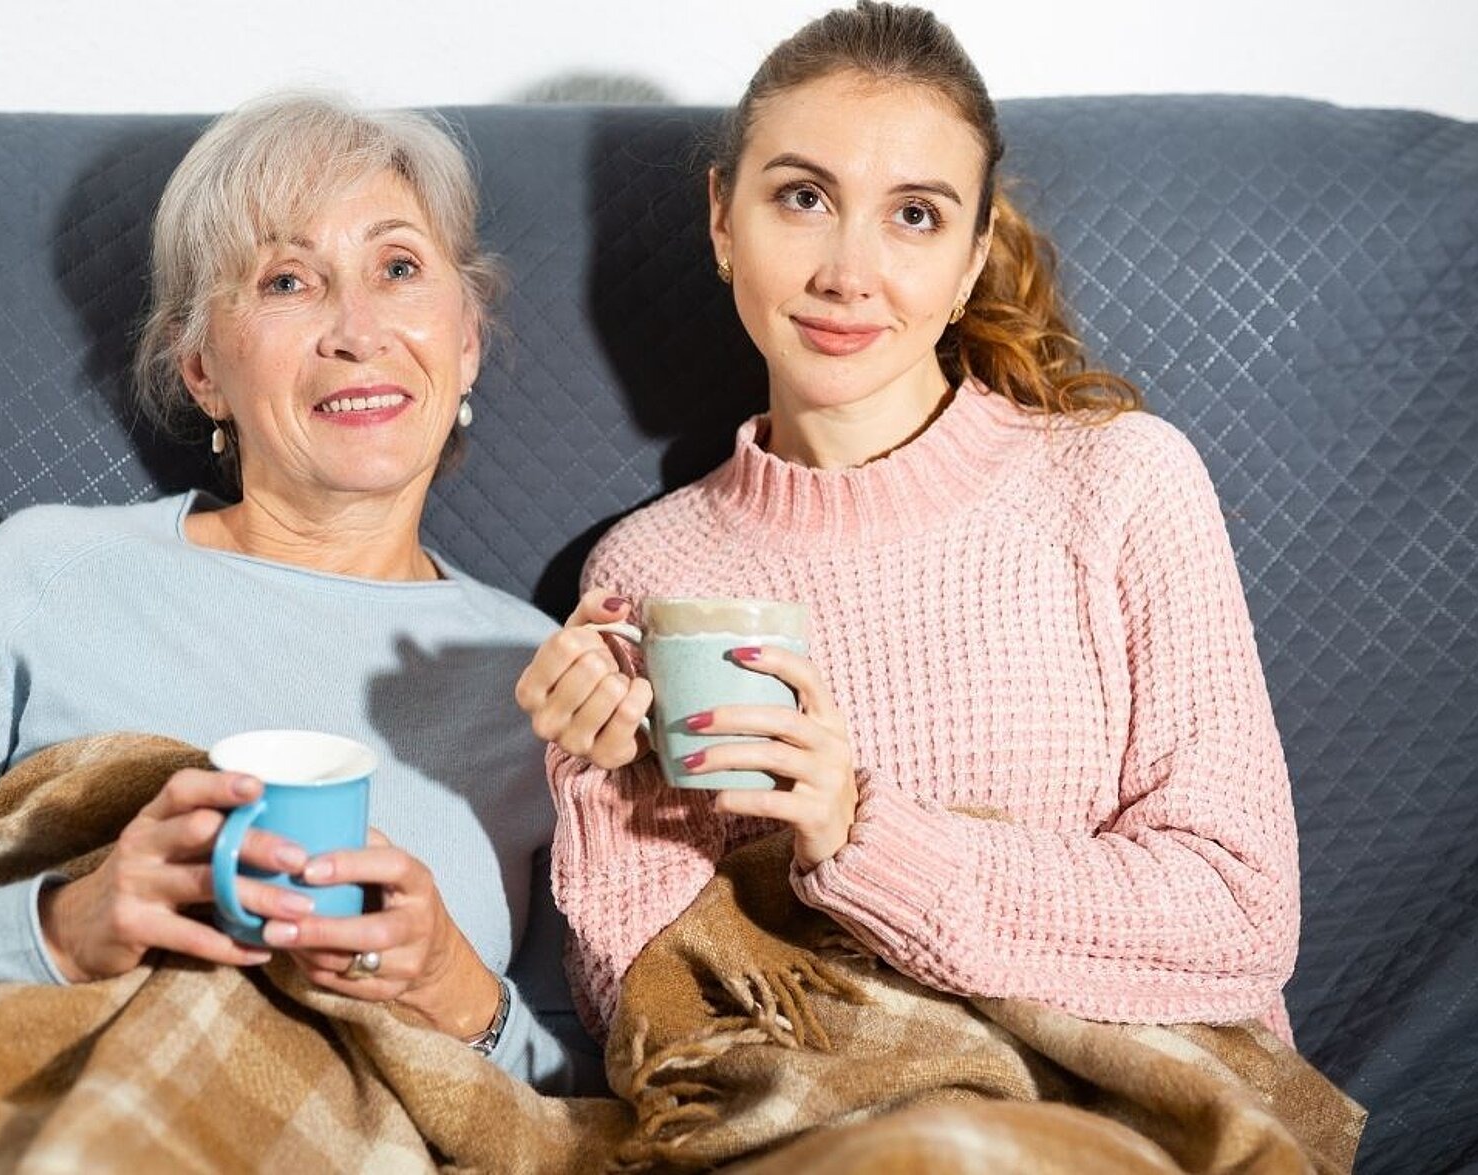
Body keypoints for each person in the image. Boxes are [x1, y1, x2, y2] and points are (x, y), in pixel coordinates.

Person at [0, 94, 590, 1093]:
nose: (357, 330)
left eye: (397, 269)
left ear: (464, 336)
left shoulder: (540, 675)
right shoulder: (45, 570)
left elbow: (595, 1092)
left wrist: (457, 990)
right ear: (202, 367)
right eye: (288, 279)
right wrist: (63, 927)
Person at [516, 1, 1302, 1047]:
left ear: (974, 253)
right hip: (827, 1129)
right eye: (802, 197)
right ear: (720, 218)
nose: (848, 271)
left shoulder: (1118, 480)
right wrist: (595, 778)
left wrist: (863, 835)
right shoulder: (651, 569)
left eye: (915, 215)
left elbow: (1240, 919)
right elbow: (663, 1031)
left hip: (1137, 1119)